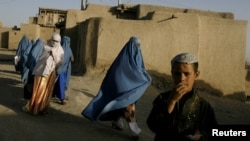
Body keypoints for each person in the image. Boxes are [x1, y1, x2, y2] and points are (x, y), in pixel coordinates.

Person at [81, 36, 152, 137]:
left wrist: (145, 78)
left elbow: (140, 70)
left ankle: (116, 121)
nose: (137, 48)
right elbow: (118, 73)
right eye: (135, 45)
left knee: (121, 105)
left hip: (130, 88)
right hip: (123, 88)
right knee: (129, 108)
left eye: (139, 45)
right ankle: (134, 130)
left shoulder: (137, 56)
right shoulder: (123, 59)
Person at [146, 52, 218, 141]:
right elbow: (153, 125)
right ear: (172, 73)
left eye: (187, 74)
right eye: (177, 73)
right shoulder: (162, 98)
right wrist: (171, 102)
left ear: (196, 75)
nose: (181, 78)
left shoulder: (203, 106)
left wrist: (201, 137)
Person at [22, 33, 64, 115]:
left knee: (46, 92)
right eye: (53, 40)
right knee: (38, 90)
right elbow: (40, 60)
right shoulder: (45, 47)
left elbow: (60, 62)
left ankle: (42, 107)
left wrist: (54, 54)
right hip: (40, 72)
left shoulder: (60, 50)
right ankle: (35, 108)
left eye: (56, 41)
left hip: (50, 74)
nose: (54, 42)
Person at [53, 36, 74, 105]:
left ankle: (61, 96)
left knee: (60, 83)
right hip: (63, 70)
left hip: (63, 70)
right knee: (61, 84)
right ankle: (62, 98)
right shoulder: (66, 49)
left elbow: (71, 58)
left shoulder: (62, 49)